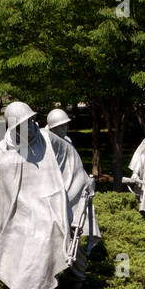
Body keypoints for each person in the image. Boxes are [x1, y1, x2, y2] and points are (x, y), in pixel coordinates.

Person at [0, 102, 71, 289]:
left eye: (32, 121)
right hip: (15, 215)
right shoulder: (0, 153)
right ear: (13, 127)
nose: (31, 126)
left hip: (47, 210)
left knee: (46, 234)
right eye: (24, 124)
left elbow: (71, 161)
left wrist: (82, 184)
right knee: (17, 244)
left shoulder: (49, 142)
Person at [45, 108, 99, 265]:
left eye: (66, 125)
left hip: (75, 192)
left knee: (77, 228)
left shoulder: (68, 141)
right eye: (60, 126)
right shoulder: (47, 142)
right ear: (52, 127)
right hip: (56, 193)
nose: (64, 129)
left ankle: (78, 268)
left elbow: (74, 167)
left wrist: (86, 181)